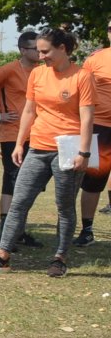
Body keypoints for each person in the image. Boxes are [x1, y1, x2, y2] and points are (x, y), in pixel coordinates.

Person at [0, 27, 94, 277]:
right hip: (37, 147)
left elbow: (86, 118)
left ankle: (60, 258)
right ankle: (2, 256)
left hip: (68, 149)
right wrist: (20, 143)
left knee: (64, 207)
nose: (41, 57)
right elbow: (29, 111)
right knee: (19, 202)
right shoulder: (38, 74)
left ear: (63, 49)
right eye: (38, 51)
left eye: (46, 51)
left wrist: (83, 153)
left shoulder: (82, 76)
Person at [0, 32, 45, 247]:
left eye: (42, 49)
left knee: (30, 186)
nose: (40, 53)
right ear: (23, 50)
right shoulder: (10, 69)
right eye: (35, 49)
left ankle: (18, 231)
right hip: (13, 135)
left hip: (38, 135)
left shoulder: (43, 71)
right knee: (12, 182)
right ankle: (6, 233)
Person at [73, 20, 111, 247]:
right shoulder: (96, 59)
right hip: (100, 126)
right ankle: (87, 230)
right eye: (109, 28)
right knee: (93, 181)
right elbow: (81, 91)